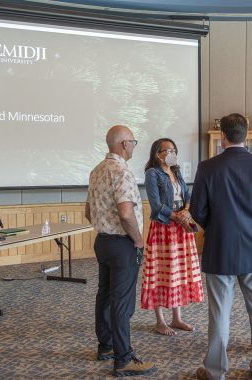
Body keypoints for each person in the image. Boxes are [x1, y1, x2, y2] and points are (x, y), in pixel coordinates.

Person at [190, 113, 252, 380]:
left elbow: (197, 211)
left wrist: (216, 225)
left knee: (219, 314)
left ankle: (215, 372)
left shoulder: (207, 167)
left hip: (219, 248)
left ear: (223, 136)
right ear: (246, 134)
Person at [85, 125, 156, 377]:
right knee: (122, 302)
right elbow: (126, 213)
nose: (135, 146)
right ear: (125, 144)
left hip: (102, 242)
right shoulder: (121, 172)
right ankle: (124, 358)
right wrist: (138, 241)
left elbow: (87, 212)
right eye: (133, 141)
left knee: (104, 296)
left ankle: (106, 346)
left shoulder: (97, 171)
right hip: (123, 244)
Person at [140, 138, 204, 336]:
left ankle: (177, 318)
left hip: (180, 228)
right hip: (164, 229)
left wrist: (185, 210)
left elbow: (187, 195)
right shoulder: (152, 174)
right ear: (157, 154)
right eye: (167, 150)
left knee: (178, 272)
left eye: (173, 149)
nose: (171, 153)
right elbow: (156, 205)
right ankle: (160, 321)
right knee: (161, 273)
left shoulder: (176, 171)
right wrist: (177, 217)